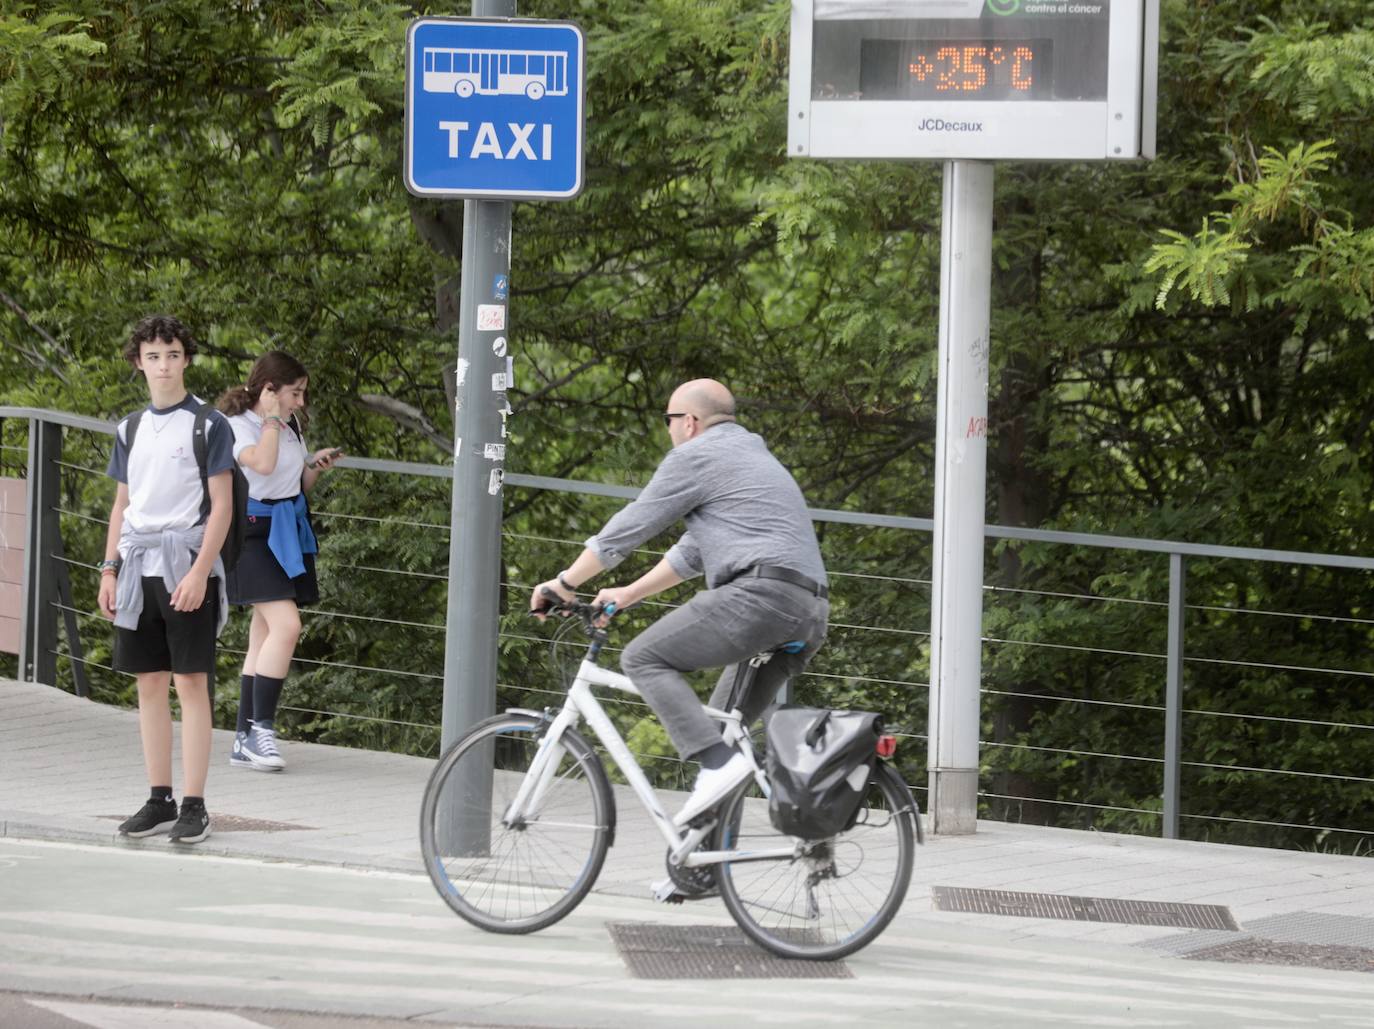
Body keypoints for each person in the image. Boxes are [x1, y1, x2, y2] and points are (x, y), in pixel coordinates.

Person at [530, 378, 829, 826]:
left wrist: (564, 582)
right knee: (728, 731)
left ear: (688, 422)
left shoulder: (695, 456)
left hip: (759, 599)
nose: (668, 429)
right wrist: (628, 593)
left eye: (668, 420)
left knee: (643, 658)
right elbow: (692, 553)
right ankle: (701, 866)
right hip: (808, 612)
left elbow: (629, 527)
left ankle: (716, 763)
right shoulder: (751, 457)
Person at [98, 314, 235, 845]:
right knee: (150, 683)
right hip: (137, 567)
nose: (163, 365)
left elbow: (221, 505)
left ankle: (196, 805)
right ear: (139, 363)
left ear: (186, 359)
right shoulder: (129, 428)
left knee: (191, 683)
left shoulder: (208, 423)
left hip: (186, 564)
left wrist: (201, 571)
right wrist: (109, 568)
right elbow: (121, 505)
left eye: (172, 354)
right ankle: (160, 798)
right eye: (153, 356)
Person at [217, 351, 341, 772]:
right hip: (251, 534)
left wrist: (313, 467)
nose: (300, 403)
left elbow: (291, 482)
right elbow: (263, 465)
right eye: (295, 393)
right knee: (287, 626)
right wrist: (271, 419)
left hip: (285, 530)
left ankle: (242, 738)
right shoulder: (235, 427)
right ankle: (261, 731)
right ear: (269, 389)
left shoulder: (289, 426)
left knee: (263, 636)